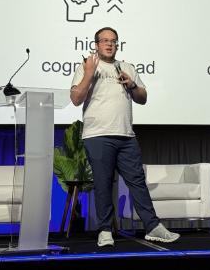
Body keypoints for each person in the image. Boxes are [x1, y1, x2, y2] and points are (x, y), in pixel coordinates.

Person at [70, 26, 180, 246]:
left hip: (126, 135)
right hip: (98, 135)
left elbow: (142, 98)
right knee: (103, 184)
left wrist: (132, 85)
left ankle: (153, 226)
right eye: (105, 41)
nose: (109, 44)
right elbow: (75, 99)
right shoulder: (86, 66)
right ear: (96, 45)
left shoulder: (127, 67)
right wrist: (90, 74)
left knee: (137, 181)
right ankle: (105, 231)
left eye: (113, 41)